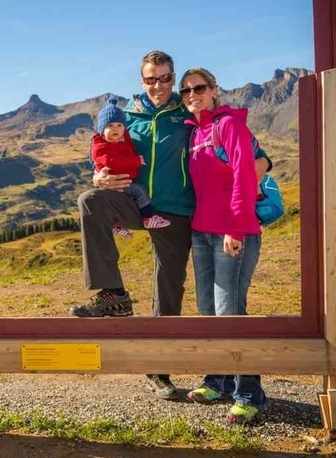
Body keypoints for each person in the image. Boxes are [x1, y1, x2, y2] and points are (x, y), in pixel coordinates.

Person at [69, 50, 271, 402]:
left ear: (173, 78)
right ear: (142, 80)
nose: (159, 85)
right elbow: (102, 147)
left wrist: (236, 213)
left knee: (170, 286)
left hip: (178, 212)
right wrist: (98, 174)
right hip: (134, 203)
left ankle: (158, 369)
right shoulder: (127, 115)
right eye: (151, 79)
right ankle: (113, 294)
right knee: (90, 201)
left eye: (165, 78)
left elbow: (259, 158)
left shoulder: (188, 111)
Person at [180, 67, 266, 424]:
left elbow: (245, 174)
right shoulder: (195, 131)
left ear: (215, 90)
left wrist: (235, 227)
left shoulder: (228, 124)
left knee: (229, 312)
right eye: (185, 91)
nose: (191, 95)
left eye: (198, 88)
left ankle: (250, 393)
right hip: (201, 233)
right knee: (208, 311)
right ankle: (216, 380)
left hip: (232, 233)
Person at [91, 96, 170, 238]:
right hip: (116, 181)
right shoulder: (100, 146)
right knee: (140, 192)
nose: (116, 129)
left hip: (124, 180)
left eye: (119, 125)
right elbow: (112, 162)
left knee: (123, 202)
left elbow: (126, 137)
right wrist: (136, 161)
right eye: (110, 126)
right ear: (102, 130)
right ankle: (148, 218)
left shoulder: (121, 140)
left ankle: (116, 225)